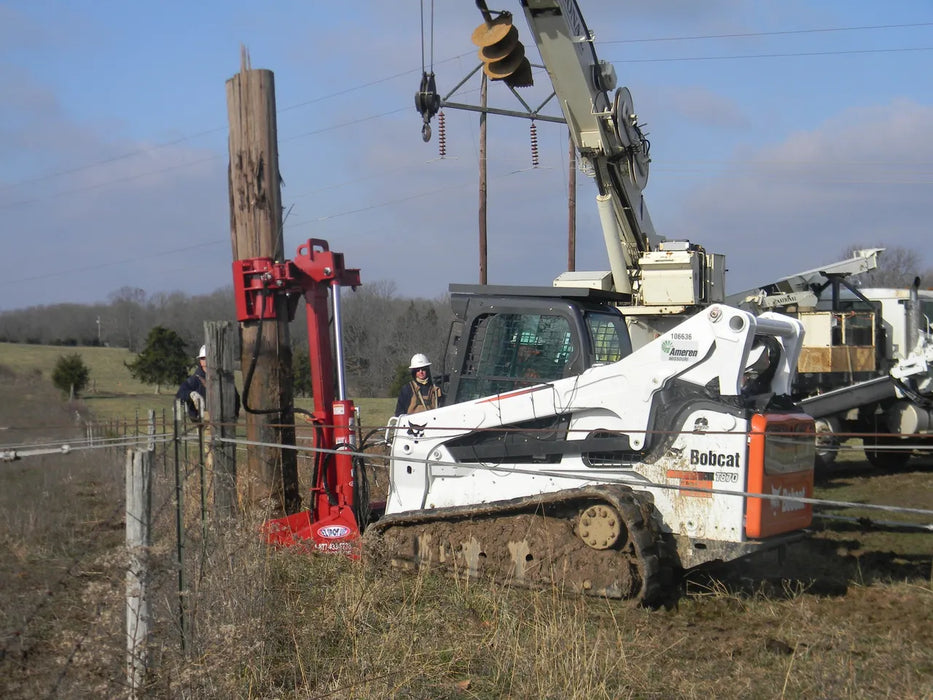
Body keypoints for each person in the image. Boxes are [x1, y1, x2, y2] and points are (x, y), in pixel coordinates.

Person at [176, 345, 240, 422]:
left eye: (208, 358)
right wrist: (191, 394)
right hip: (203, 422)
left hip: (225, 421)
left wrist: (235, 415)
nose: (205, 361)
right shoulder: (194, 380)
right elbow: (180, 394)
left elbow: (235, 398)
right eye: (203, 358)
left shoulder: (224, 380)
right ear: (200, 361)